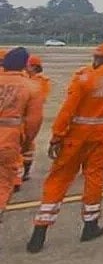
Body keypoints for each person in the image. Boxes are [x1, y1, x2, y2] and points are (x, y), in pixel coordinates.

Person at [27, 43, 103, 253]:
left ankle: (39, 232)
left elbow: (68, 110)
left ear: (98, 59)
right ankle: (90, 225)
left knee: (59, 179)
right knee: (95, 178)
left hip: (76, 137)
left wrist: (56, 137)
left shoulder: (85, 78)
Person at [0, 49, 44, 225]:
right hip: (8, 141)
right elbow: (34, 122)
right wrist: (26, 144)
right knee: (3, 183)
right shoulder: (31, 87)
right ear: (26, 65)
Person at [21, 55, 51, 183]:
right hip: (24, 114)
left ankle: (25, 171)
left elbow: (40, 98)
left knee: (27, 143)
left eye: (27, 65)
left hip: (30, 115)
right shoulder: (26, 78)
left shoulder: (41, 81)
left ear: (33, 67)